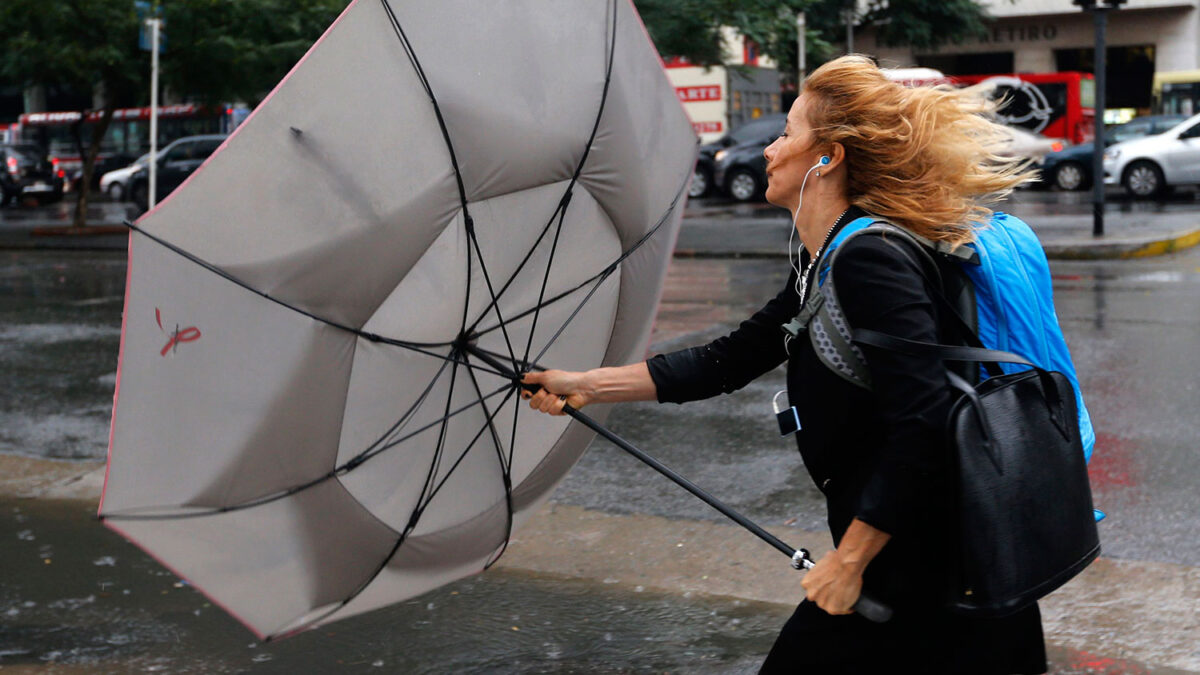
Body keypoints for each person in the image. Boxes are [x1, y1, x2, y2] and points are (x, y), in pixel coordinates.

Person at [521, 55, 1046, 674]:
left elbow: (925, 422)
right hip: (913, 556)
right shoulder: (826, 260)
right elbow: (728, 360)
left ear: (827, 157)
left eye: (787, 133)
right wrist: (584, 384)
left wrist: (849, 562)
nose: (770, 149)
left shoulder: (868, 259)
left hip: (933, 566)